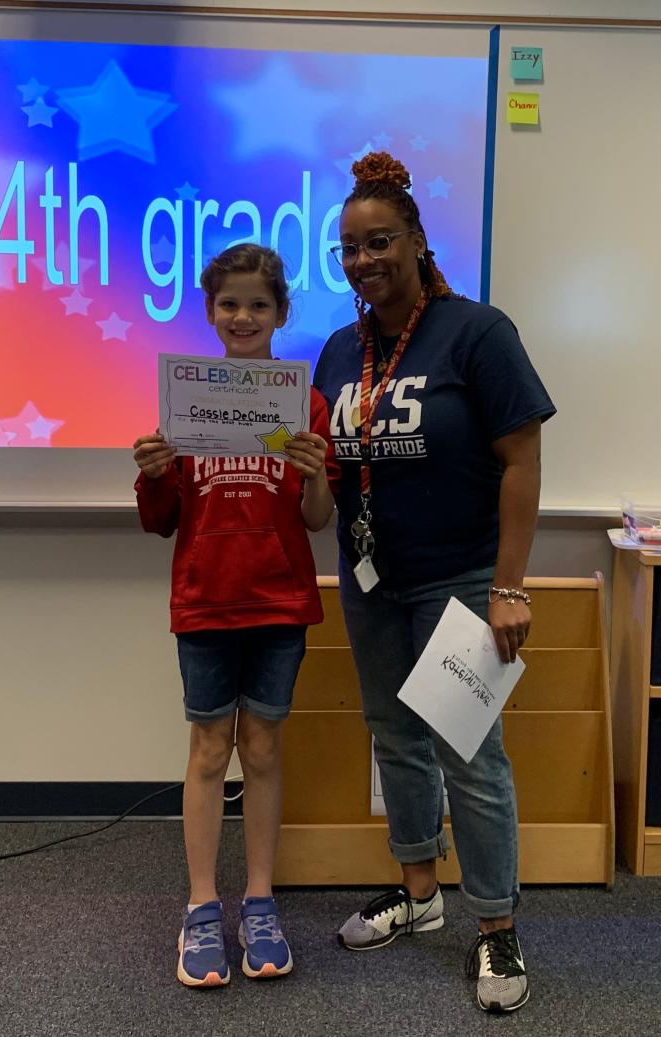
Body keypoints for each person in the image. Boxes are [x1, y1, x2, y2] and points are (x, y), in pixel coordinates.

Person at [313, 152, 556, 1014]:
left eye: (380, 240)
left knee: (469, 751)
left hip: (462, 574)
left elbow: (522, 459)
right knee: (394, 734)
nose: (364, 259)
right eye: (348, 247)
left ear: (416, 239)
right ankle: (419, 893)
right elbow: (330, 471)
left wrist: (511, 585)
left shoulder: (476, 332)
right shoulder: (341, 350)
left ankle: (496, 927)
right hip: (372, 578)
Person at [134, 243, 339, 988]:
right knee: (207, 749)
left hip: (280, 598)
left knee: (262, 748)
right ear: (210, 312)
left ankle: (259, 900)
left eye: (258, 304)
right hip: (205, 597)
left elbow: (318, 516)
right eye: (229, 304)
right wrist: (153, 473)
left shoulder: (305, 401)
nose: (243, 316)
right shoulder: (185, 396)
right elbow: (161, 519)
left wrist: (317, 475)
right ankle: (199, 905)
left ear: (281, 312)